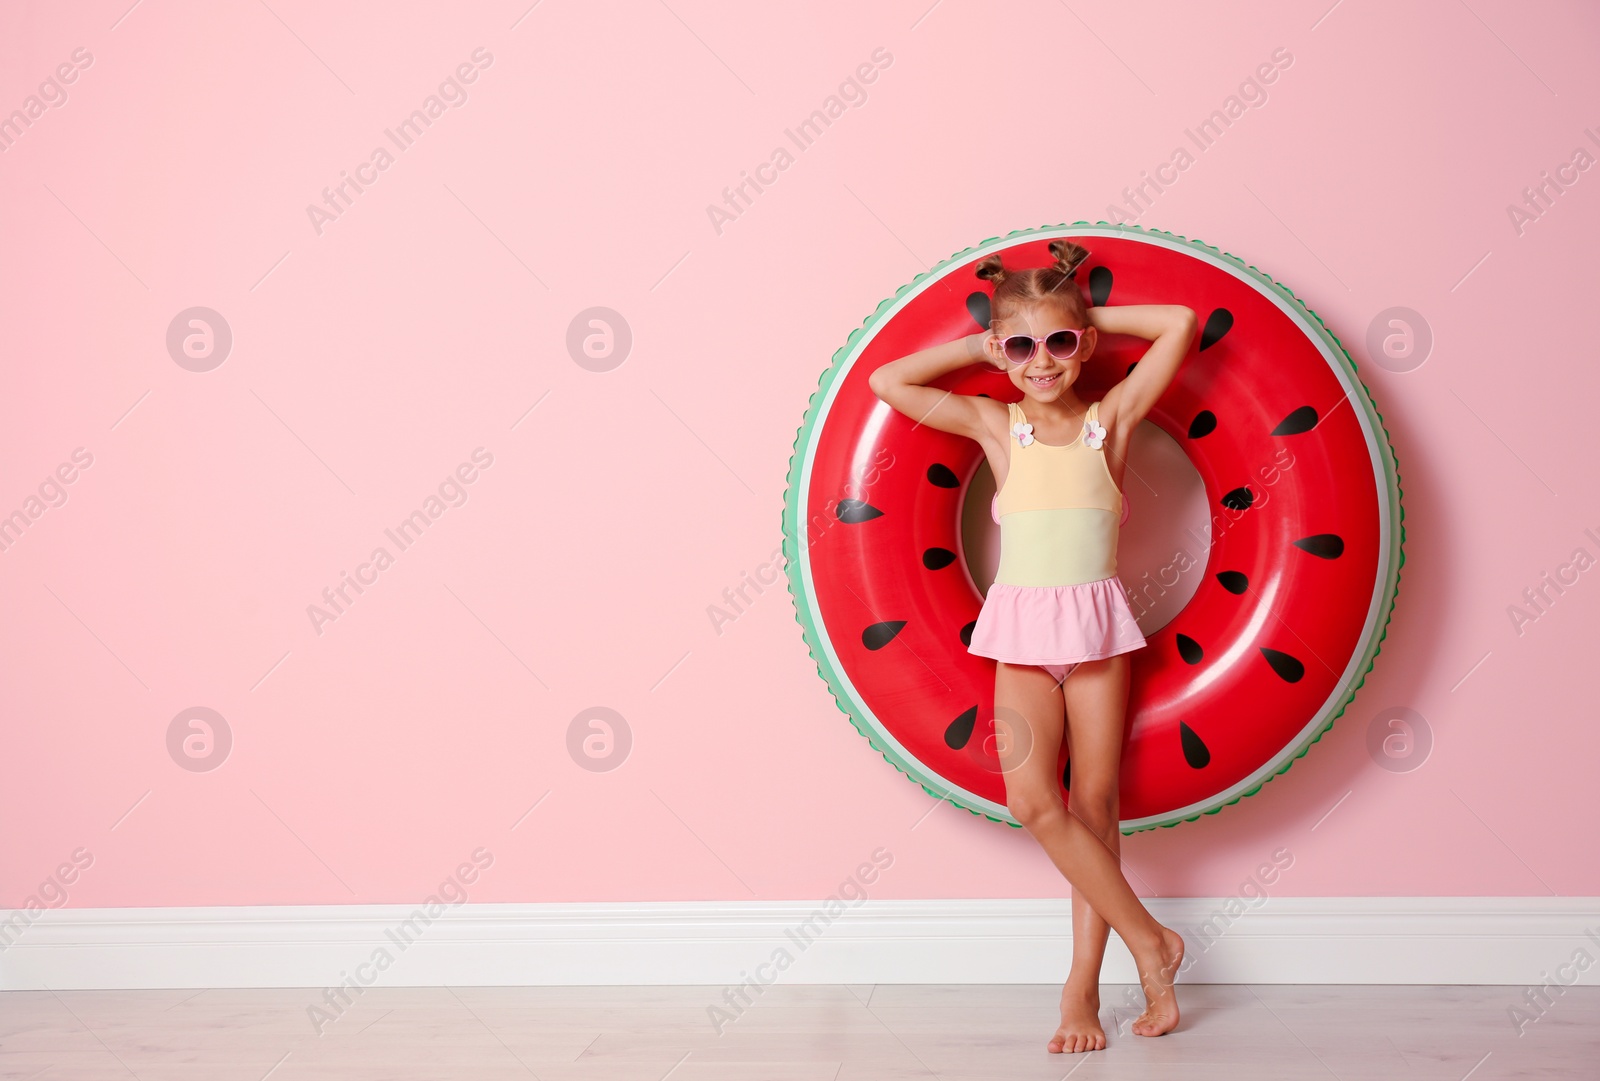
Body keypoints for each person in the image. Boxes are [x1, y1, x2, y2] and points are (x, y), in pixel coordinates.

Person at [868, 240, 1197, 1052]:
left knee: (1096, 806)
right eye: (1021, 346)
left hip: (1095, 634)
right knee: (1032, 803)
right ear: (1000, 355)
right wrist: (990, 337)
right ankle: (1151, 940)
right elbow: (889, 381)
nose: (1041, 361)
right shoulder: (996, 423)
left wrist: (1081, 315)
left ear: (1082, 344)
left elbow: (1180, 323)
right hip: (1020, 634)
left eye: (1059, 342)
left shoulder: (1107, 421)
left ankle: (1082, 992)